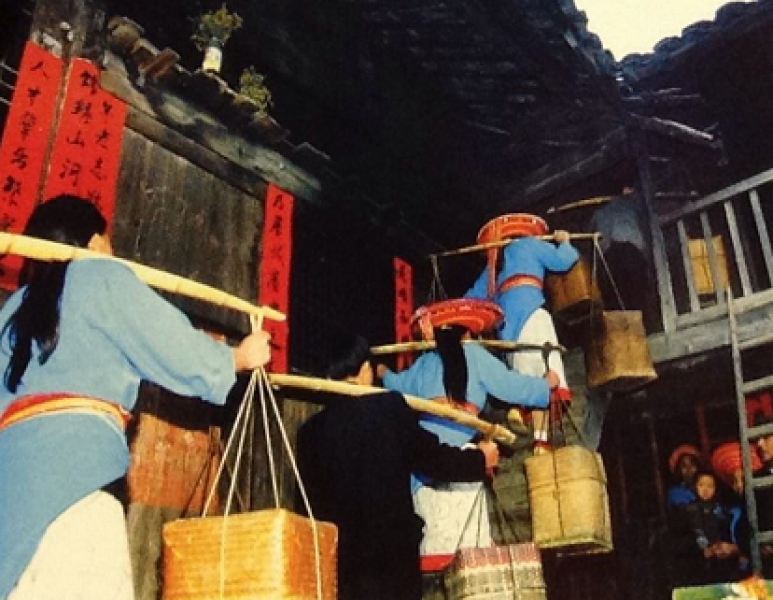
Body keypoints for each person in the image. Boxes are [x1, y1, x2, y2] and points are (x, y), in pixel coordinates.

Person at [0, 195, 273, 600]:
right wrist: (237, 358)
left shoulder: (11, 312)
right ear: (95, 241)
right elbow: (170, 344)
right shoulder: (100, 275)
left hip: (9, 493)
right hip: (76, 481)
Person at [295, 332, 499, 600]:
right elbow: (434, 459)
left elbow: (307, 506)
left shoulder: (309, 433)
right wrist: (480, 460)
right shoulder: (388, 409)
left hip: (340, 567)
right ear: (365, 369)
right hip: (392, 561)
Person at [377, 317, 556, 569]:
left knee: (437, 555)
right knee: (469, 563)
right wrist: (546, 384)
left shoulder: (425, 362)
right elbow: (511, 386)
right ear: (468, 333)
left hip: (423, 468)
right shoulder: (475, 355)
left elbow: (397, 385)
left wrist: (382, 372)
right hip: (462, 463)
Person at [464, 216, 578, 452]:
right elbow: (564, 261)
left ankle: (520, 411)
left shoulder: (492, 268)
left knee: (526, 379)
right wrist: (564, 241)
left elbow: (470, 300)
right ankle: (540, 438)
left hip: (508, 330)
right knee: (545, 373)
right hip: (532, 316)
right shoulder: (530, 244)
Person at [684, 470, 750, 584]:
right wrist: (702, 549)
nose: (705, 490)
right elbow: (689, 535)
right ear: (694, 487)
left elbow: (728, 532)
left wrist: (725, 547)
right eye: (701, 485)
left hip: (721, 558)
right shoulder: (688, 510)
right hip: (698, 561)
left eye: (710, 486)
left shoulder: (721, 510)